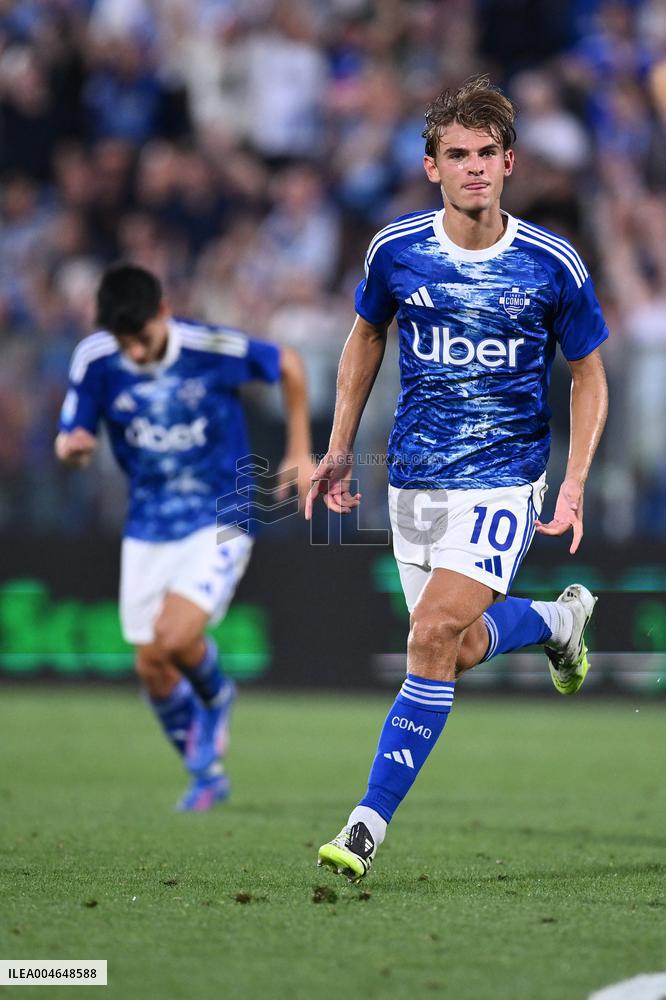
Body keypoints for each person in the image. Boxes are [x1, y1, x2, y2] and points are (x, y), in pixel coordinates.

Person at [306, 77, 609, 881]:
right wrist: (337, 445)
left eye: (486, 154)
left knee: (429, 635)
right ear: (431, 166)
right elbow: (366, 337)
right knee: (460, 644)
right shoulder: (396, 249)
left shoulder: (552, 263)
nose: (474, 168)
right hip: (416, 482)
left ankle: (365, 826)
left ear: (510, 162)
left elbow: (589, 375)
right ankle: (554, 624)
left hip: (507, 481)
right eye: (457, 155)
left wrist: (571, 480)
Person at [55, 263, 312, 811]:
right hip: (147, 523)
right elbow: (69, 434)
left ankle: (217, 696)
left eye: (143, 339)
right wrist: (72, 447)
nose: (138, 355)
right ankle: (207, 775)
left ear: (163, 313)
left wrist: (297, 450)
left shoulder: (209, 346)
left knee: (175, 637)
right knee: (150, 664)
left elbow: (287, 364)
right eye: (127, 344)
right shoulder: (96, 360)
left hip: (222, 513)